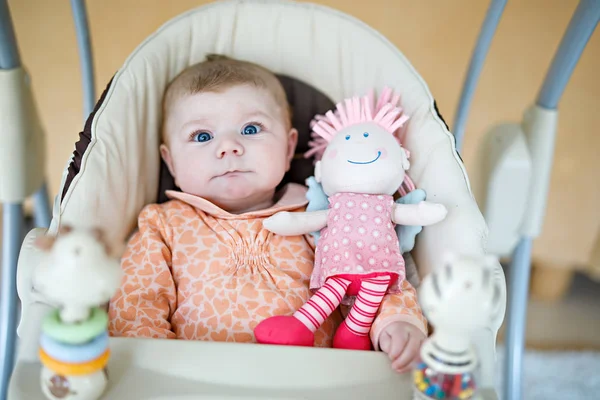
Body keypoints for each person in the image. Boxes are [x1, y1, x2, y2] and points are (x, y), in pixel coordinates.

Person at [107, 54, 427, 372]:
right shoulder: (162, 225)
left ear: (289, 149)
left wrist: (395, 321)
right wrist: (157, 372)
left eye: (250, 128)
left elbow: (374, 271)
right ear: (171, 162)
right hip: (200, 379)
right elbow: (136, 306)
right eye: (202, 136)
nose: (229, 146)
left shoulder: (325, 215)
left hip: (314, 379)